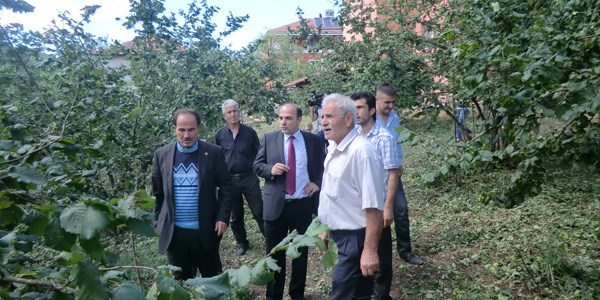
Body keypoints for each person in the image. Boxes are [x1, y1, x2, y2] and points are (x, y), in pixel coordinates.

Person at [253, 103, 326, 300]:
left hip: (301, 205)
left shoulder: (313, 141)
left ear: (299, 119)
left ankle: (297, 295)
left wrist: (317, 183)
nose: (283, 122)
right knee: (274, 255)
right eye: (281, 118)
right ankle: (274, 296)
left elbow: (323, 168)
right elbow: (257, 165)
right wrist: (270, 170)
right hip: (275, 206)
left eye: (288, 118)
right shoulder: (269, 139)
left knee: (300, 255)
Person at [318, 93, 385, 300]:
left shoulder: (362, 152)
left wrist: (370, 251)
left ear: (348, 119)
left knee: (346, 295)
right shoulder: (334, 147)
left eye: (329, 116)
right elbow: (333, 195)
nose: (323, 122)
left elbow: (374, 208)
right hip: (338, 236)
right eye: (322, 117)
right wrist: (325, 228)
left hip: (355, 240)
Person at [152, 108, 231, 280]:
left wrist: (223, 217)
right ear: (174, 129)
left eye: (191, 129)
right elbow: (158, 193)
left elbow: (227, 187)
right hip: (174, 233)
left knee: (212, 280)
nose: (186, 135)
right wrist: (158, 222)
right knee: (181, 282)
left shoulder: (213, 153)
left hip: (205, 230)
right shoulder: (162, 155)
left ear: (198, 129)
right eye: (181, 129)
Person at [351, 91, 400, 300]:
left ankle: (382, 294)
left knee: (381, 254)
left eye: (360, 108)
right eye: (353, 108)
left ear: (371, 110)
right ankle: (364, 290)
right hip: (356, 206)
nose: (355, 112)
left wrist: (388, 207)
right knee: (360, 250)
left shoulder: (384, 138)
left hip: (378, 206)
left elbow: (392, 174)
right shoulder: (352, 134)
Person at [375, 83, 424, 265]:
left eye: (393, 102)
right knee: (375, 213)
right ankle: (375, 251)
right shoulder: (368, 119)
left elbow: (397, 143)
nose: (391, 106)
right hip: (373, 174)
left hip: (392, 173)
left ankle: (405, 251)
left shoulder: (394, 118)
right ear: (377, 99)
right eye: (387, 102)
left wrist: (399, 161)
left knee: (401, 210)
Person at [214, 99, 265, 256]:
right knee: (235, 216)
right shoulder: (220, 135)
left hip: (248, 177)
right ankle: (242, 243)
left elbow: (259, 154)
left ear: (239, 112)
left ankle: (270, 238)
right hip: (229, 181)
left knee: (259, 210)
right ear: (224, 116)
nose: (233, 114)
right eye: (229, 112)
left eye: (235, 111)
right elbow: (217, 158)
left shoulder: (249, 132)